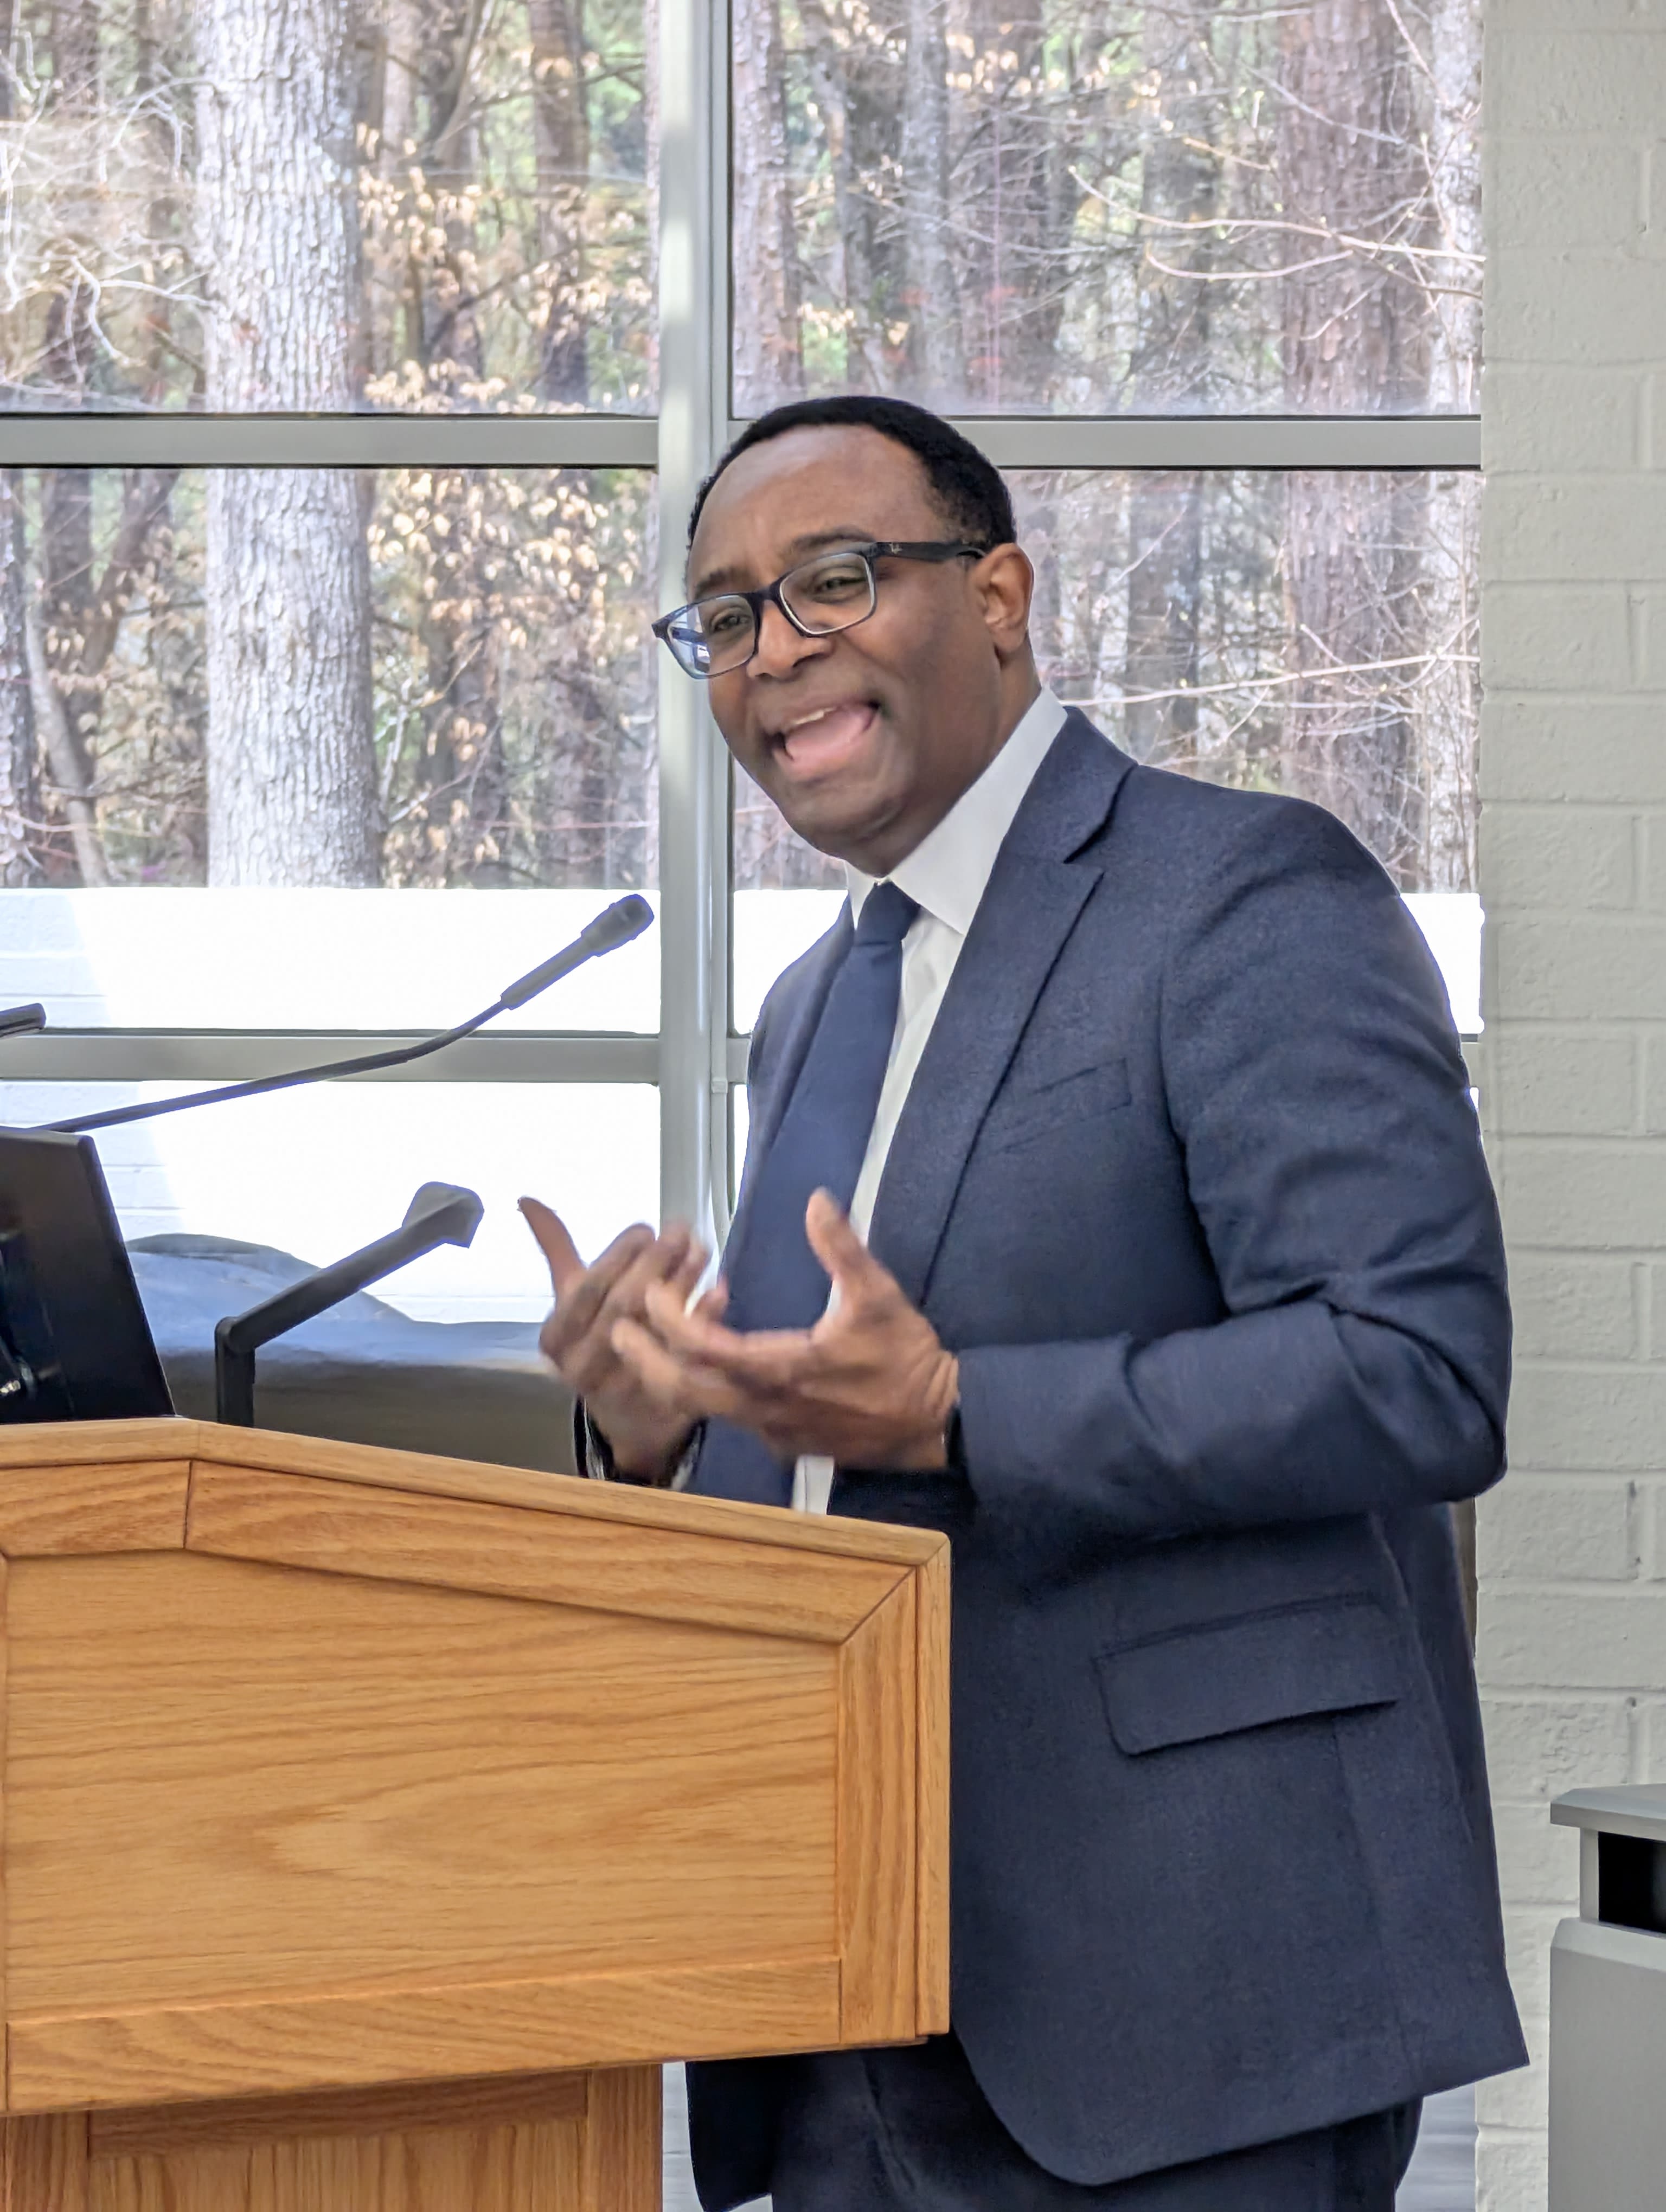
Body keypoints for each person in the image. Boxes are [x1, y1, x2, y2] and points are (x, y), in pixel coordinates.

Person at [520, 394, 1524, 2212]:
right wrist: (661, 1430)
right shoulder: (817, 1007)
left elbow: (1420, 1373)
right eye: (728, 617)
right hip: (843, 1989)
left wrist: (964, 1412)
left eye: (834, 581)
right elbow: (835, 1447)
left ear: (998, 594)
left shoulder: (1243, 895)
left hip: (1176, 1996)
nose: (774, 653)